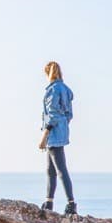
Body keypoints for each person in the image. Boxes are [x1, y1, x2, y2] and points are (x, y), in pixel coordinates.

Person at [38, 61, 77, 215]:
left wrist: (44, 135)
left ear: (48, 73)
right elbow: (69, 115)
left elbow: (52, 113)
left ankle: (71, 204)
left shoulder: (53, 90)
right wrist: (63, 125)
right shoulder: (66, 89)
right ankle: (49, 201)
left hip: (53, 132)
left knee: (60, 169)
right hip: (61, 130)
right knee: (50, 169)